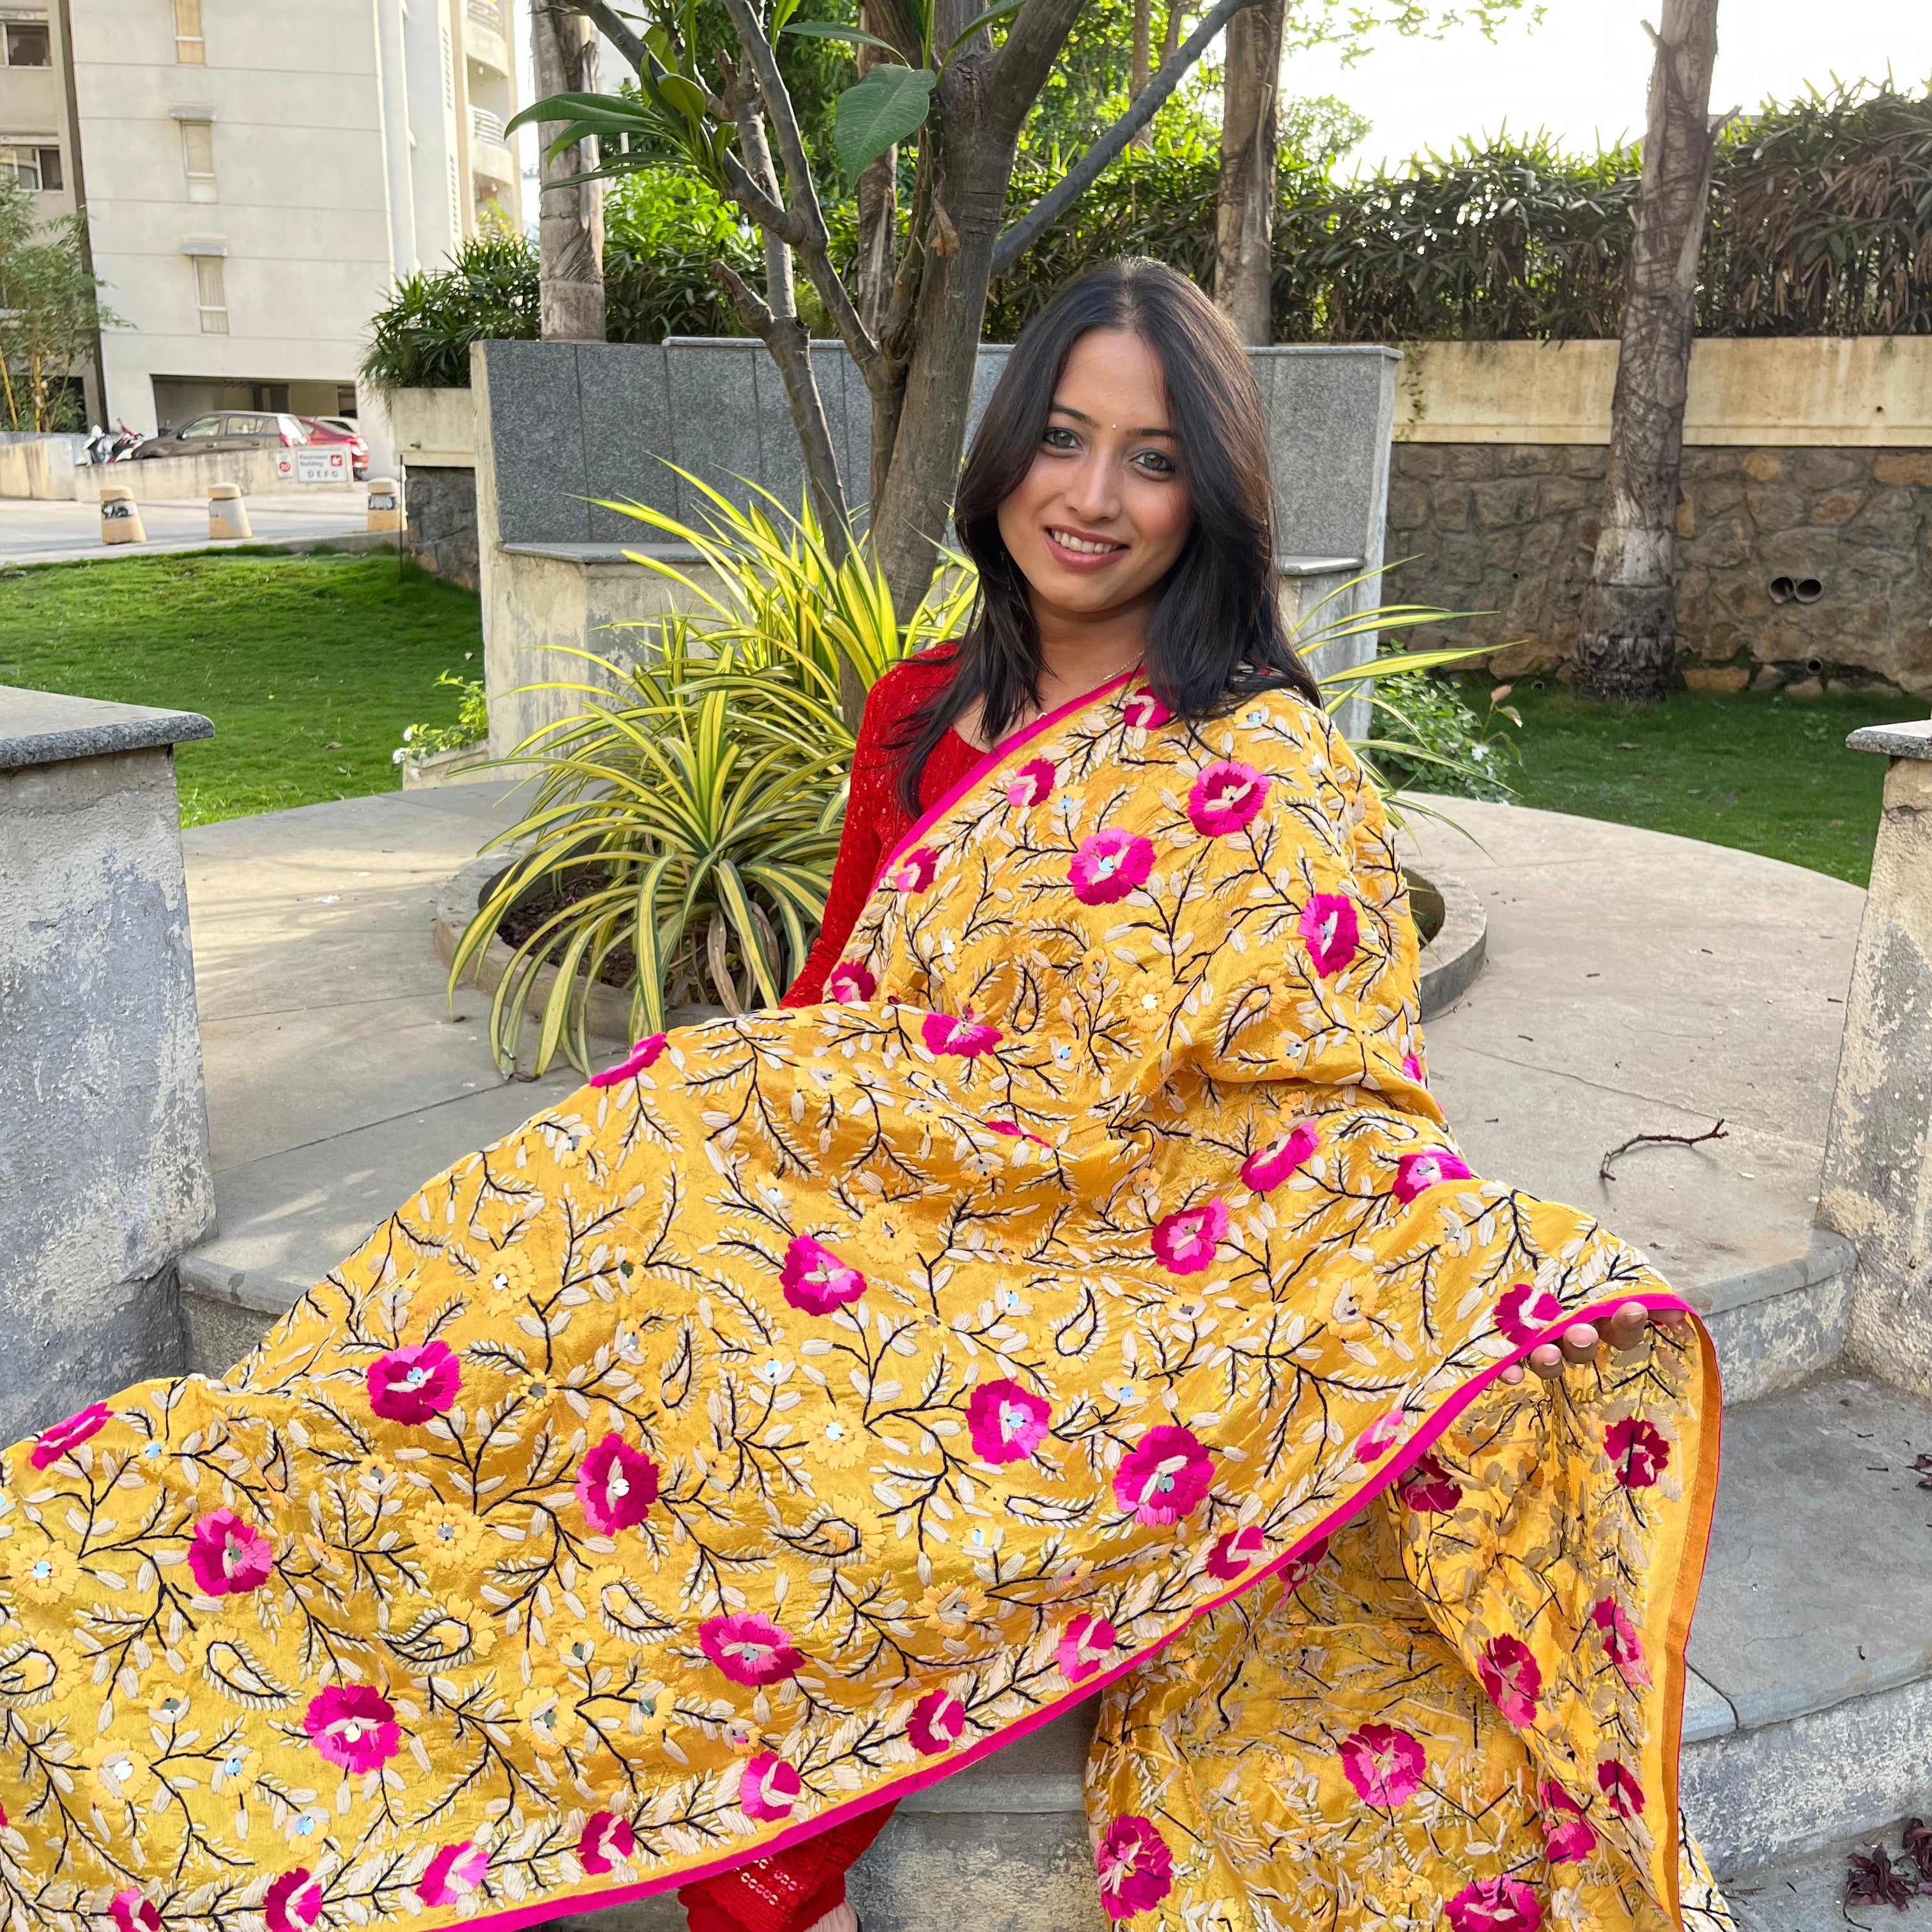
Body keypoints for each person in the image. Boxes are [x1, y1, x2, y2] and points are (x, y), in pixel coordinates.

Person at [0, 259, 1727, 1932]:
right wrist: (747, 1157)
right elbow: (847, 997)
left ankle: (766, 1859)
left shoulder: (1268, 760)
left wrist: (1484, 1283)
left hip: (1113, 1266)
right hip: (900, 1205)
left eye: (1153, 459)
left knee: (824, 1458)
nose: (1096, 496)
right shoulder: (917, 715)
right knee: (580, 1263)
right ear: (1002, 458)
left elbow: (1333, 1088)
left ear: (1214, 500)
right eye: (1062, 436)